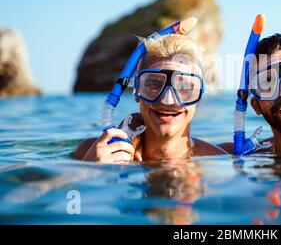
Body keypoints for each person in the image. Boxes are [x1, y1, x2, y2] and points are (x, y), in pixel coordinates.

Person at [74, 34, 227, 163]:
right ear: (136, 91)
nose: (168, 100)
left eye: (185, 87)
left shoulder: (220, 161)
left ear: (199, 96)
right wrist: (90, 169)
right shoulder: (92, 152)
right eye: (154, 84)